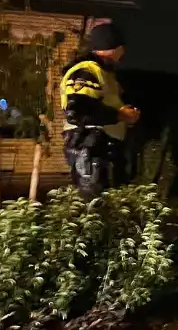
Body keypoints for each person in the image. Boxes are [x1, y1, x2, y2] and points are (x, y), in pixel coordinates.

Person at [60, 22, 140, 198]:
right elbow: (78, 111)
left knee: (105, 209)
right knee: (94, 210)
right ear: (112, 47)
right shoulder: (86, 70)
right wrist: (119, 115)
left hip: (100, 151)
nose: (124, 53)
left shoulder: (104, 73)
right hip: (90, 149)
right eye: (121, 47)